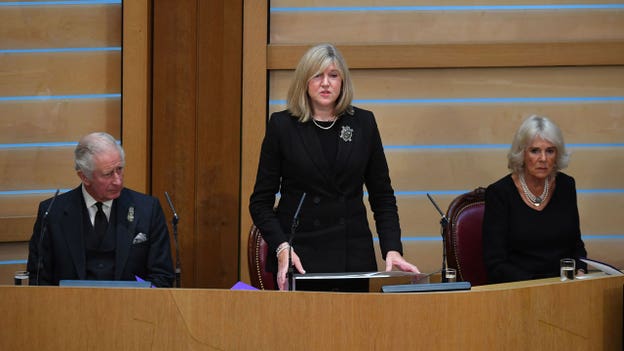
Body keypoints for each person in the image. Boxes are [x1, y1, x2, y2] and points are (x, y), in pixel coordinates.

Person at [249, 43, 420, 292]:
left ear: (343, 82)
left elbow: (382, 196)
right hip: (300, 256)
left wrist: (392, 248)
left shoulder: (363, 123)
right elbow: (260, 202)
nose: (326, 83)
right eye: (317, 75)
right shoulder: (282, 126)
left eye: (333, 75)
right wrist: (282, 247)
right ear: (304, 82)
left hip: (352, 256)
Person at [27, 132, 175, 287]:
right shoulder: (51, 213)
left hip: (131, 308)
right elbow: (38, 280)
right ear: (84, 177)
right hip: (71, 308)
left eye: (119, 169)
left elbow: (162, 277)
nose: (118, 181)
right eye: (108, 174)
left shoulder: (148, 209)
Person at [482, 115, 587, 283]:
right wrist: (538, 286)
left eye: (550, 151)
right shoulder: (499, 193)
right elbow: (495, 263)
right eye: (535, 150)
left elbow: (576, 245)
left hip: (564, 286)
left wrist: (581, 270)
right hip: (519, 288)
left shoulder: (566, 186)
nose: (543, 159)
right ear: (522, 154)